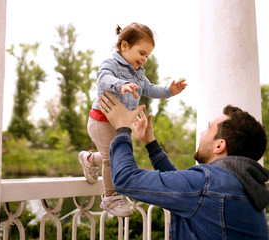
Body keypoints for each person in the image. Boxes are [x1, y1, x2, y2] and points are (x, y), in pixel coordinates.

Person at [98, 92, 269, 240]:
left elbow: (125, 179)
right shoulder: (241, 182)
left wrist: (122, 129)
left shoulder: (207, 183)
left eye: (208, 128)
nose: (202, 134)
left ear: (219, 146)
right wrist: (150, 144)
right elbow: (186, 190)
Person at [78, 22, 187, 217]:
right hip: (101, 120)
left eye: (147, 56)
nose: (144, 59)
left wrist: (170, 91)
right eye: (141, 53)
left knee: (111, 156)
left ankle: (88, 159)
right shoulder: (111, 64)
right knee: (112, 158)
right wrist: (121, 85)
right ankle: (110, 197)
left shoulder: (139, 73)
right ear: (124, 46)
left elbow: (149, 88)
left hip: (119, 124)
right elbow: (103, 79)